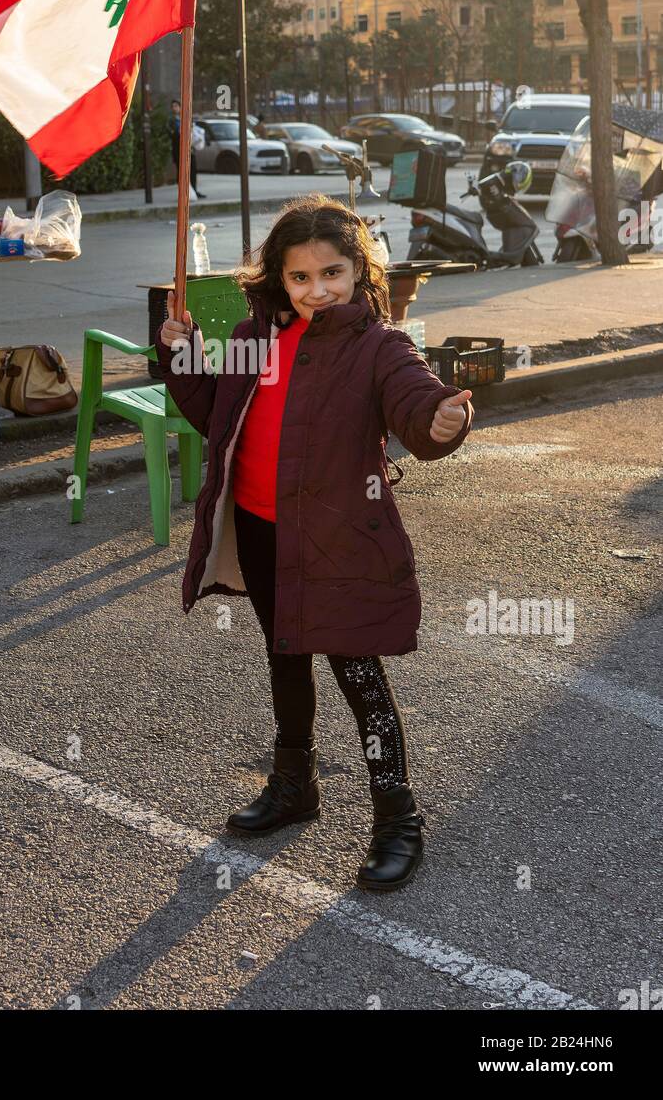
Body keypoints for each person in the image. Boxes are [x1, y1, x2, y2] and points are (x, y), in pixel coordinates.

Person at [154, 194, 473, 892]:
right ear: (278, 279)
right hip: (264, 529)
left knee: (360, 680)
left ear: (358, 270)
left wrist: (438, 422)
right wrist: (179, 358)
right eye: (299, 278)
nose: (316, 290)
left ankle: (397, 819)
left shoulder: (378, 345)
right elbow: (216, 416)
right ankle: (293, 784)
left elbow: (414, 400)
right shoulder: (253, 334)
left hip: (338, 539)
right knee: (284, 655)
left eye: (331, 273)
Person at [169, 98, 206, 198]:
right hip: (178, 151)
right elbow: (174, 134)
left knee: (193, 170)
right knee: (181, 172)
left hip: (190, 150)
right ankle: (183, 193)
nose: (174, 108)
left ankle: (194, 190)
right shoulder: (172, 120)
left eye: (176, 106)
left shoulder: (185, 118)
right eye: (173, 107)